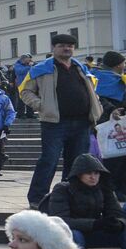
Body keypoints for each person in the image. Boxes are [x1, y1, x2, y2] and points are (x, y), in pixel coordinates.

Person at [21, 33, 102, 207]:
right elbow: (25, 91)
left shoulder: (81, 68)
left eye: (70, 46)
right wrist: (41, 105)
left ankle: (70, 197)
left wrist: (96, 108)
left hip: (82, 123)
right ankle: (37, 198)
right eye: (62, 45)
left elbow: (92, 90)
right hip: (54, 123)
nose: (67, 48)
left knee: (77, 162)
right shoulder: (41, 69)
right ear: (54, 48)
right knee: (49, 160)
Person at [44, 154, 126, 249]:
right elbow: (61, 221)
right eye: (88, 173)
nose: (93, 177)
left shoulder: (104, 188)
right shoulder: (62, 189)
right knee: (75, 236)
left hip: (94, 234)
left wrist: (119, 224)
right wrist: (95, 224)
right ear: (79, 174)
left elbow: (118, 213)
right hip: (72, 232)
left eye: (96, 173)